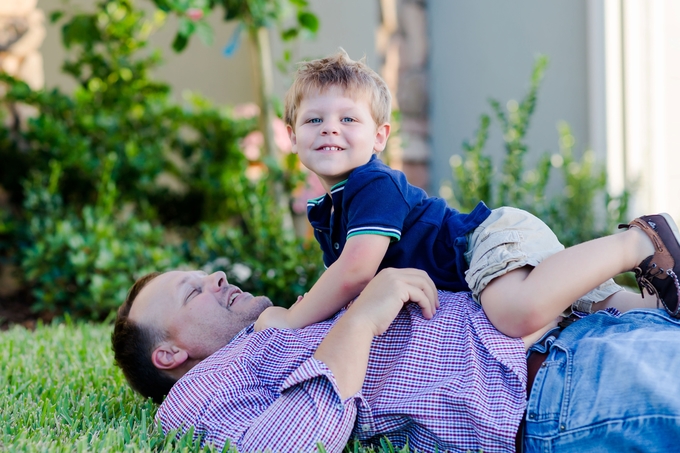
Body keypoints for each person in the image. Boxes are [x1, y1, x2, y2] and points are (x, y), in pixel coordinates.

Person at [112, 216, 680, 452]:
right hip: (552, 394)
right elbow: (290, 442)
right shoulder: (197, 393)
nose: (214, 278)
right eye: (192, 292)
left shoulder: (285, 323)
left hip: (583, 332)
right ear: (169, 353)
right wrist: (366, 314)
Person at [254, 50, 679, 338]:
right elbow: (345, 287)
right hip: (484, 257)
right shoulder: (329, 209)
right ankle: (660, 303)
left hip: (483, 243)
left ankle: (639, 241)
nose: (330, 127)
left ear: (380, 136)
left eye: (348, 117)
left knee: (516, 314)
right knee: (616, 311)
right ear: (292, 136)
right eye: (314, 120)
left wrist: (291, 319)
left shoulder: (372, 183)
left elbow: (354, 273)